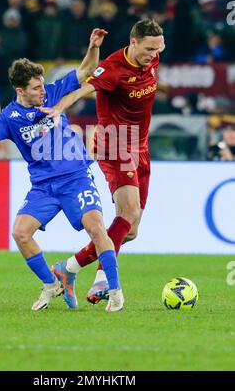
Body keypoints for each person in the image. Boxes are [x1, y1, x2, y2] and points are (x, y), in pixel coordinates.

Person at [0, 28, 124, 313]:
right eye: (36, 88)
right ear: (20, 91)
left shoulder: (53, 92)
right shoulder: (8, 117)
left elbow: (87, 69)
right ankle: (52, 283)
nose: (43, 91)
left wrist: (93, 46)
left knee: (96, 227)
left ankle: (114, 291)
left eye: (42, 85)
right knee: (20, 233)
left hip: (76, 177)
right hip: (43, 187)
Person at [40, 18, 165, 304]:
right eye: (149, 49)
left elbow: (153, 54)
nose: (154, 55)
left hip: (141, 147)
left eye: (159, 49)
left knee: (130, 230)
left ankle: (67, 268)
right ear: (133, 43)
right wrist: (59, 107)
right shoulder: (112, 69)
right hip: (115, 144)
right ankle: (102, 280)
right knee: (129, 211)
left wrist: (154, 52)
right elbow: (84, 89)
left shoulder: (151, 58)